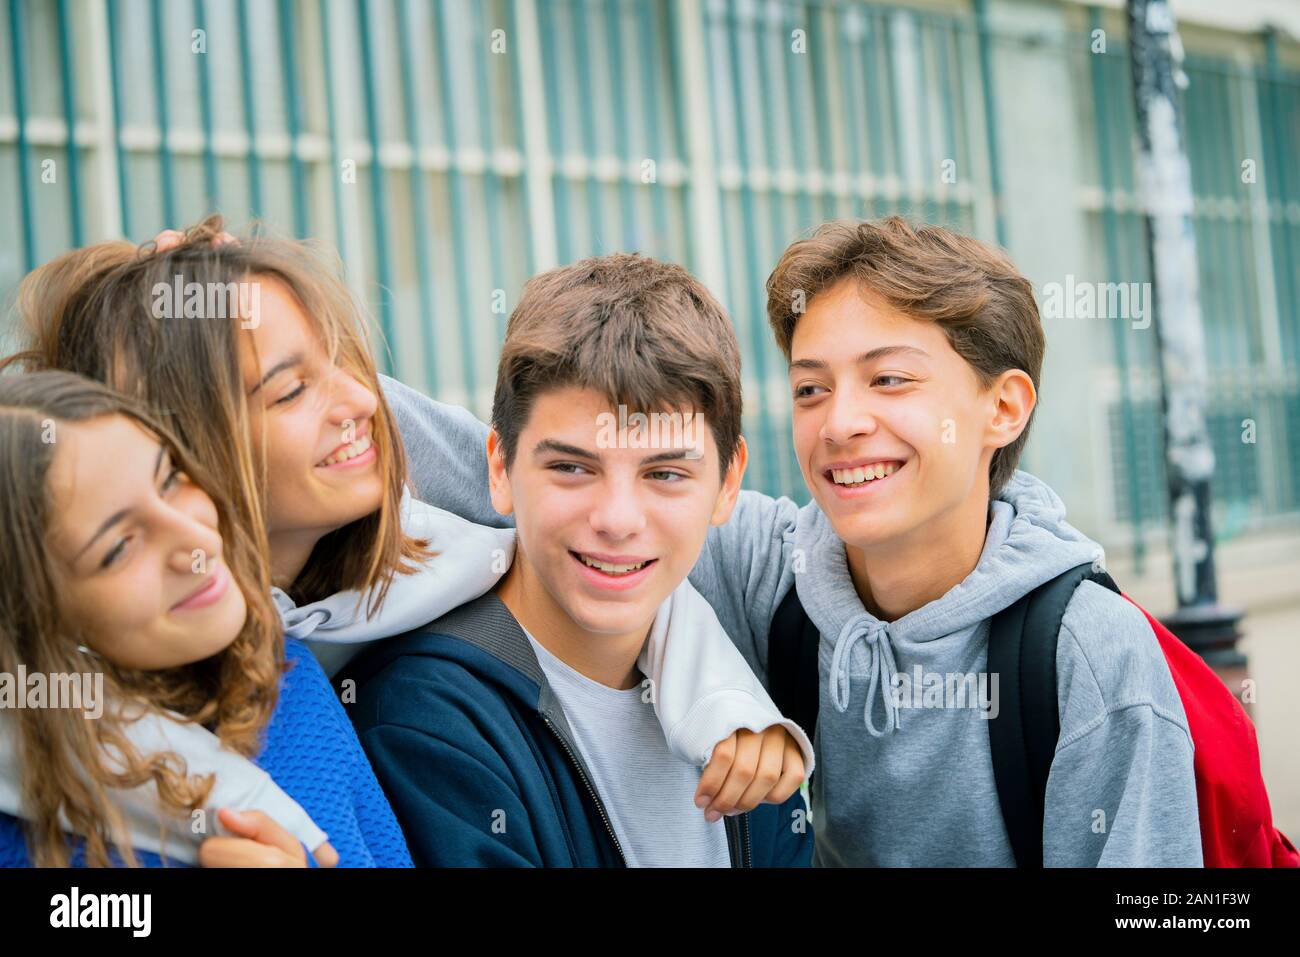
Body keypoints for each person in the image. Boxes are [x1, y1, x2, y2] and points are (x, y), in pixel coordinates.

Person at [388, 218, 1204, 867]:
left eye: (889, 379)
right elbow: (522, 458)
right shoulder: (772, 572)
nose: (842, 421)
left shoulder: (1085, 658)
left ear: (1003, 407)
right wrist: (292, 375)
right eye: (812, 386)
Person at [345, 254, 813, 866]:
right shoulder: (427, 719)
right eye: (571, 467)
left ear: (729, 484)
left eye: (665, 473)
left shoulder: (744, 722)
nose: (618, 519)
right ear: (500, 468)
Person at [0, 369, 408, 867]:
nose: (194, 541)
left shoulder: (283, 676)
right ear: (32, 619)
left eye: (170, 480)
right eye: (119, 546)